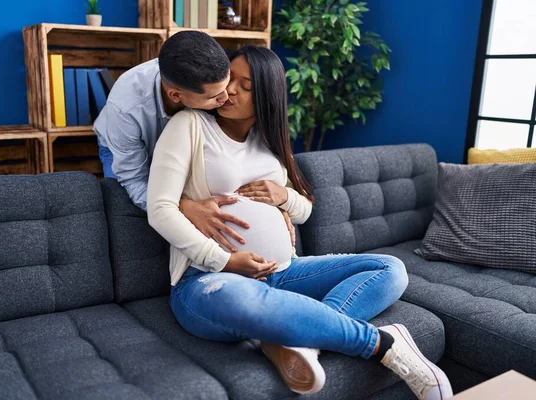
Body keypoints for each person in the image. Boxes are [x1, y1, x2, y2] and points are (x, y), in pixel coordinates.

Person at [146, 45, 453, 399]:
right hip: (209, 278)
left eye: (245, 86)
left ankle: (303, 342)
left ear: (265, 96)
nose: (230, 90)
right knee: (241, 301)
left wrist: (283, 197)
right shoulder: (189, 125)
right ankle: (384, 344)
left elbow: (304, 210)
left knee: (390, 269)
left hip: (285, 271)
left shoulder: (270, 142)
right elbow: (161, 208)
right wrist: (225, 261)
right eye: (231, 78)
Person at [94, 31, 296, 253]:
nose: (226, 96)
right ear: (176, 96)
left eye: (227, 84)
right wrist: (185, 207)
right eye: (215, 97)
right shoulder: (126, 109)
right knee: (127, 208)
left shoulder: (205, 68)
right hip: (124, 146)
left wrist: (272, 208)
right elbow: (135, 180)